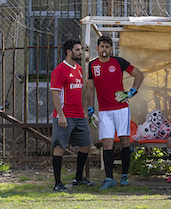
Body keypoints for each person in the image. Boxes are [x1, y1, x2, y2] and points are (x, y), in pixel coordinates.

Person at [86, 35, 144, 191]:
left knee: (125, 141)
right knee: (107, 144)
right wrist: (90, 109)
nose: (104, 49)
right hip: (104, 112)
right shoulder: (92, 66)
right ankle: (109, 178)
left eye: (107, 46)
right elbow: (90, 89)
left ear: (111, 49)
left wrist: (131, 92)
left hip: (121, 109)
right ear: (97, 48)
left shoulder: (119, 62)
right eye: (102, 46)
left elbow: (139, 74)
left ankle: (124, 175)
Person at [49, 39, 93, 192]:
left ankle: (78, 178)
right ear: (69, 51)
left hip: (79, 115)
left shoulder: (79, 68)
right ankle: (57, 183)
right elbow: (54, 94)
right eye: (78, 50)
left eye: (81, 50)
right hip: (64, 116)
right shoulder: (59, 70)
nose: (81, 52)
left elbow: (80, 91)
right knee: (60, 147)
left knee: (86, 145)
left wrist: (84, 111)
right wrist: (60, 115)